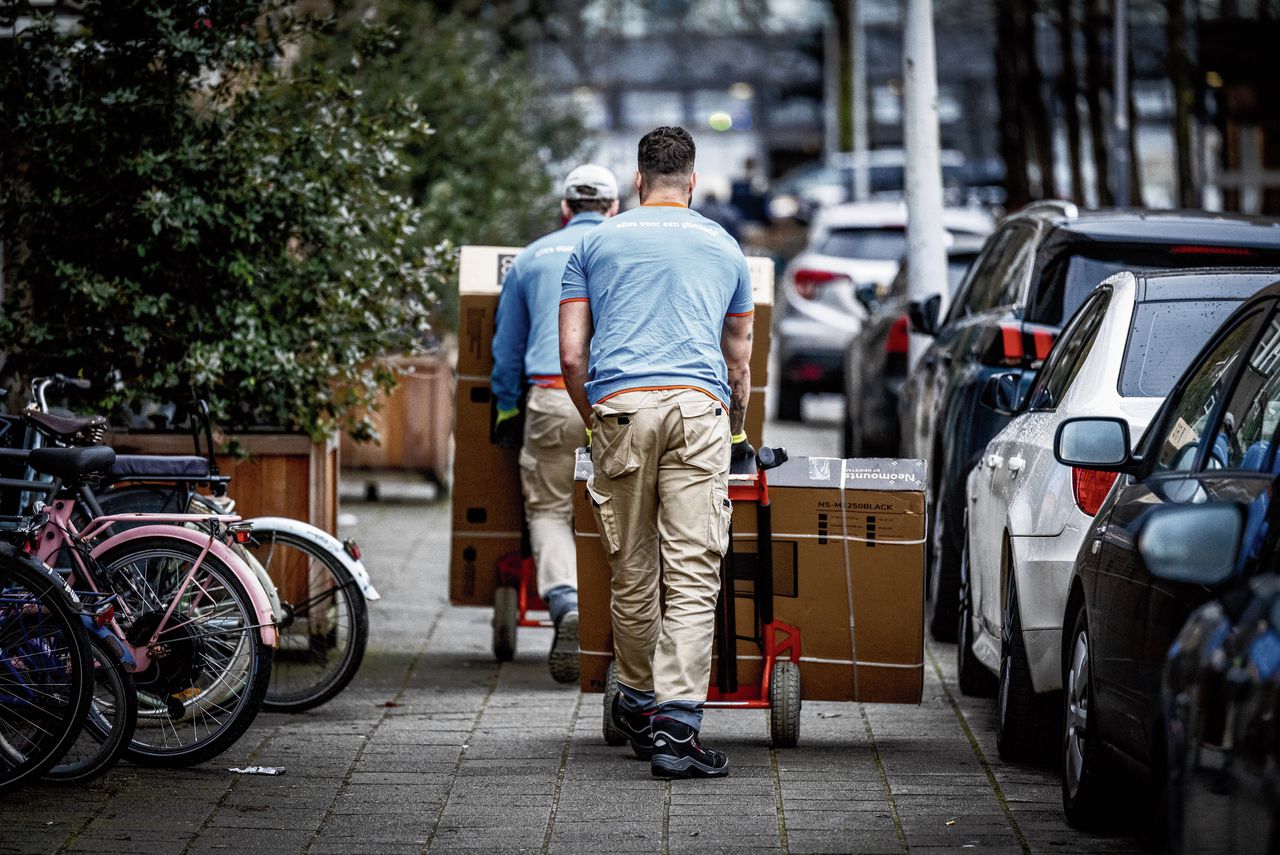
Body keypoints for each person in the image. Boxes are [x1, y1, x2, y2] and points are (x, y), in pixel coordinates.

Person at [559, 126, 754, 779]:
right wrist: (738, 428)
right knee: (693, 570)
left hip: (621, 410)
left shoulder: (592, 243)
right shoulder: (725, 246)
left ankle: (638, 706)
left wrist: (595, 421)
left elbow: (570, 354)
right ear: (692, 182)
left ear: (638, 182)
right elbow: (740, 359)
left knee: (633, 569)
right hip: (700, 412)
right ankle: (676, 728)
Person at [491, 163, 620, 683]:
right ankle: (621, 623)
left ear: (564, 209)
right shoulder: (625, 251)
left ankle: (565, 603)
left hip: (548, 394)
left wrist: (505, 409)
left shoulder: (529, 258)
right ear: (614, 209)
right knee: (619, 506)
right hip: (615, 398)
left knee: (547, 509)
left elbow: (505, 350)